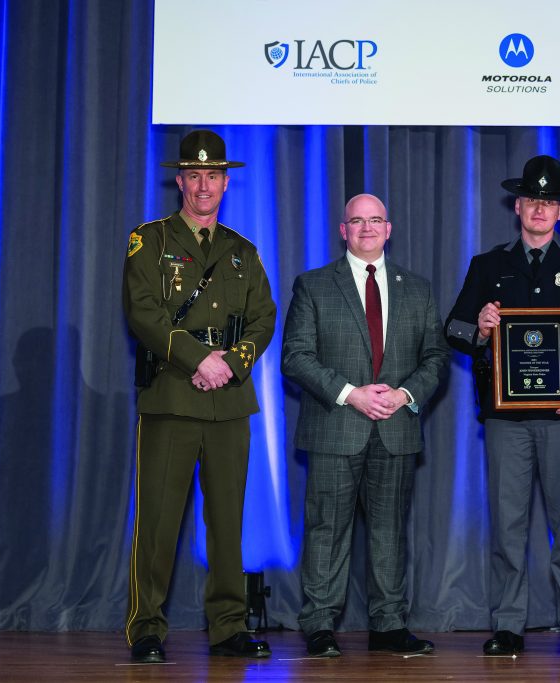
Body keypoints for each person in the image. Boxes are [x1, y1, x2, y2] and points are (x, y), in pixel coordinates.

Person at [444, 155, 560, 656]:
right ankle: (507, 623)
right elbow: (453, 329)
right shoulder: (488, 265)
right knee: (507, 525)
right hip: (506, 418)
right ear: (517, 206)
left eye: (548, 201)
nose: (539, 208)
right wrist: (481, 328)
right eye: (531, 200)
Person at [122, 130, 276, 663]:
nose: (203, 185)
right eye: (194, 175)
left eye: (213, 176)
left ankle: (228, 626)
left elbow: (263, 317)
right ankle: (146, 627)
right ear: (180, 182)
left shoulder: (242, 251)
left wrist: (230, 363)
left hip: (229, 400)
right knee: (159, 520)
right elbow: (143, 312)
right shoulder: (150, 240)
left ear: (226, 183)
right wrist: (198, 359)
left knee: (228, 522)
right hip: (172, 394)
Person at [282, 193, 450, 658]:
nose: (367, 228)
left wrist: (404, 394)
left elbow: (436, 357)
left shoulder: (417, 288)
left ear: (389, 229)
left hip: (395, 427)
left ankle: (389, 625)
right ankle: (319, 624)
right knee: (326, 530)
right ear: (343, 230)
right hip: (335, 424)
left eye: (375, 220)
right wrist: (350, 393)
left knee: (390, 532)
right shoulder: (313, 285)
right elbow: (295, 356)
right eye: (357, 221)